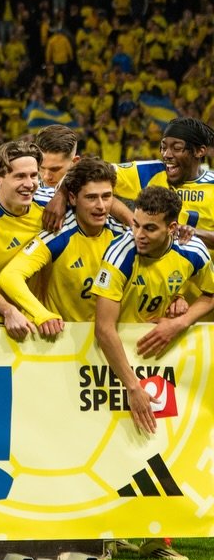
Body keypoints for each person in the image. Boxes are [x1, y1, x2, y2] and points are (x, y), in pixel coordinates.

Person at [92, 186, 214, 436]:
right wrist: (133, 387)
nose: (138, 234)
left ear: (171, 228)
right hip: (115, 357)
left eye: (149, 228)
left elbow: (210, 296)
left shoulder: (193, 251)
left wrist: (180, 323)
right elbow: (103, 329)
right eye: (136, 224)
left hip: (159, 355)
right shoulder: (120, 254)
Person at [0, 156, 120, 334]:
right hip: (62, 338)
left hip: (112, 337)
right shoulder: (57, 235)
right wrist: (42, 314)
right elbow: (9, 276)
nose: (101, 206)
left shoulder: (123, 237)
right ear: (72, 198)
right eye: (91, 197)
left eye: (106, 196)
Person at [114, 119, 214, 234]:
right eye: (163, 147)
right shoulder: (148, 172)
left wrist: (194, 234)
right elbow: (96, 175)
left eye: (176, 148)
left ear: (199, 151)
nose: (166, 155)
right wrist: (134, 223)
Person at [0, 138, 52, 271]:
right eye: (20, 176)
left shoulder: (51, 202)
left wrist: (62, 195)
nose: (29, 184)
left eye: (34, 175)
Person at [33, 125, 80, 191]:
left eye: (54, 169)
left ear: (75, 163)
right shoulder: (27, 196)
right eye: (41, 168)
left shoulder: (91, 195)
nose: (46, 177)